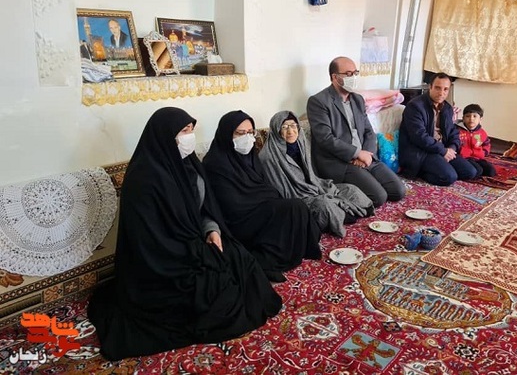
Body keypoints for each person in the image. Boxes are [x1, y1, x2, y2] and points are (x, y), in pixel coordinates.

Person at [87, 107, 282, 361]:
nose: (189, 137)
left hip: (194, 240)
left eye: (191, 130)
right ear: (164, 136)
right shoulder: (144, 178)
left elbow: (204, 208)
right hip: (164, 260)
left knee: (240, 258)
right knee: (217, 289)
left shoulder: (189, 165)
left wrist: (211, 229)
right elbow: (148, 239)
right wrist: (194, 250)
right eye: (183, 131)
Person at [202, 110, 322, 283]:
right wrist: (268, 204)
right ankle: (266, 261)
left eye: (250, 132)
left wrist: (269, 202)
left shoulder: (250, 156)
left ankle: (292, 250)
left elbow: (264, 186)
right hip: (238, 220)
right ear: (227, 134)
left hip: (260, 209)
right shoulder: (215, 163)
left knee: (296, 208)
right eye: (240, 133)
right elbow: (230, 204)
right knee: (291, 208)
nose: (247, 138)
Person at [306, 57, 406, 207]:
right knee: (379, 197)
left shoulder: (357, 99)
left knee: (398, 191)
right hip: (340, 162)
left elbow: (369, 131)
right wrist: (356, 153)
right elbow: (325, 139)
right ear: (335, 77)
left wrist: (367, 154)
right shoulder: (318, 101)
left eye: (355, 73)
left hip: (365, 157)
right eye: (348, 74)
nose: (353, 77)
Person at [259, 110, 374, 237]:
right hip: (296, 197)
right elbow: (280, 191)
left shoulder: (301, 143)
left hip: (315, 186)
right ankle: (341, 215)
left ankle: (342, 213)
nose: (290, 131)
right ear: (276, 130)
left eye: (293, 126)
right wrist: (312, 195)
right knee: (324, 205)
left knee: (351, 190)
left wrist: (317, 188)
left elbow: (312, 176)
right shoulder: (268, 157)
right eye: (284, 127)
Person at [399, 72, 478, 186]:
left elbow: (453, 131)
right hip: (421, 152)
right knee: (449, 177)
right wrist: (443, 151)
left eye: (445, 89)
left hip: (441, 149)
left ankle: (442, 166)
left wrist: (451, 148)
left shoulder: (447, 108)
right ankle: (419, 172)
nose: (441, 93)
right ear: (430, 87)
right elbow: (419, 137)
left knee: (470, 172)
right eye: (437, 88)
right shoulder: (415, 106)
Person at [457, 103, 497, 177]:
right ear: (463, 119)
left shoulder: (482, 132)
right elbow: (455, 143)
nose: (471, 119)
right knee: (478, 171)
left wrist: (483, 152)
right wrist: (461, 151)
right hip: (465, 158)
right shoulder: (458, 131)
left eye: (475, 116)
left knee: (491, 171)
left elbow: (487, 144)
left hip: (478, 158)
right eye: (468, 116)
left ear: (480, 119)